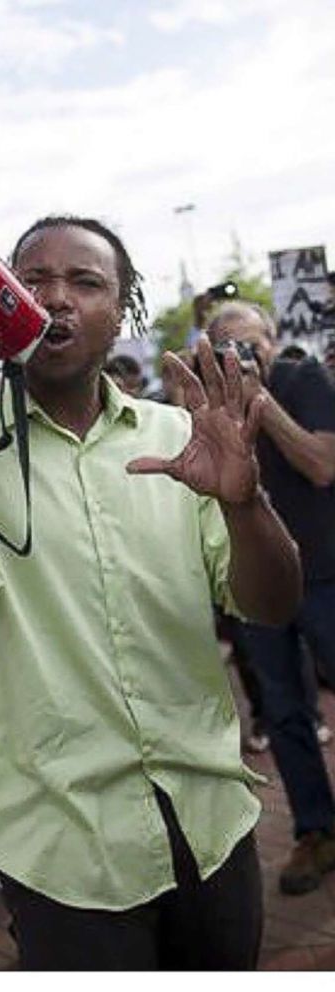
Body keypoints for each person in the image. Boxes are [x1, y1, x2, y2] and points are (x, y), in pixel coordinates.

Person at [0, 214, 301, 970]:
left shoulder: (181, 434)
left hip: (212, 825)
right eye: (32, 280)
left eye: (86, 282)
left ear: (124, 310)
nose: (57, 299)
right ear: (2, 302)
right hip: (64, 856)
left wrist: (243, 500)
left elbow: (271, 605)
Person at [207, 300, 335, 894]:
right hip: (258, 584)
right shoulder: (209, 402)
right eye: (228, 347)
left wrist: (264, 402)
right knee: (283, 713)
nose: (242, 355)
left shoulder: (301, 378)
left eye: (250, 343)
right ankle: (316, 830)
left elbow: (322, 466)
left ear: (273, 338)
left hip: (326, 572)